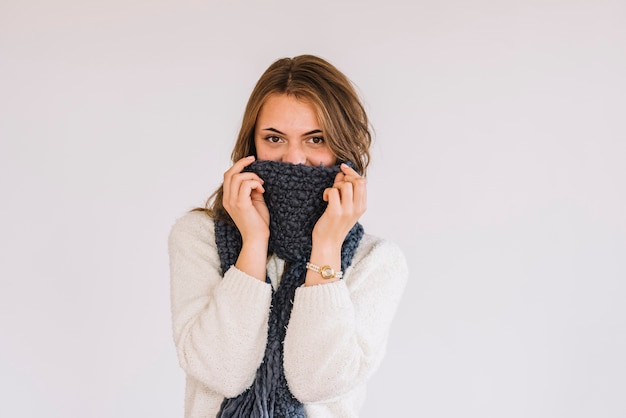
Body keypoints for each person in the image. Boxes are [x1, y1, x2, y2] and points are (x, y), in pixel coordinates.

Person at [168, 54, 408, 418]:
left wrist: (326, 248)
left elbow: (316, 383)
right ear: (252, 145)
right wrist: (253, 244)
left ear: (345, 147)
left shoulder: (375, 262)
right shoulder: (198, 238)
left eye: (316, 139)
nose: (293, 159)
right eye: (275, 137)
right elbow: (221, 371)